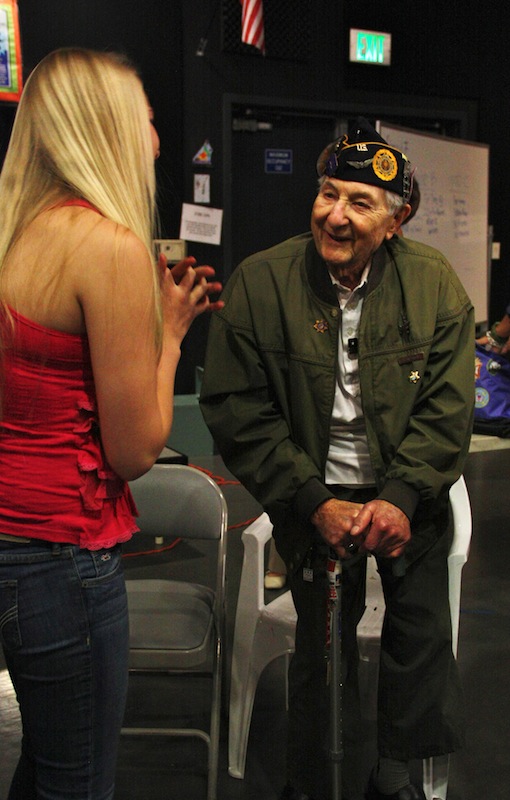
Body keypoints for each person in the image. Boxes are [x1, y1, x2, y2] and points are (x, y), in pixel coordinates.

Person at [200, 118, 474, 800]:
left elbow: (446, 410)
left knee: (420, 631)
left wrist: (402, 498)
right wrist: (311, 501)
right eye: (329, 194)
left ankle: (397, 773)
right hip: (311, 487)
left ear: (396, 219)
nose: (337, 215)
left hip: (402, 489)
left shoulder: (435, 284)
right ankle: (314, 780)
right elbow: (238, 408)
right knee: (323, 650)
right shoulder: (262, 283)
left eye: (360, 203)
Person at [0, 47, 222, 800]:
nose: (158, 139)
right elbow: (135, 450)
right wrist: (170, 333)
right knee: (78, 784)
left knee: (45, 768)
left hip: (10, 542)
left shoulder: (15, 235)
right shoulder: (108, 247)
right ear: (109, 129)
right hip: (59, 558)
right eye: (149, 121)